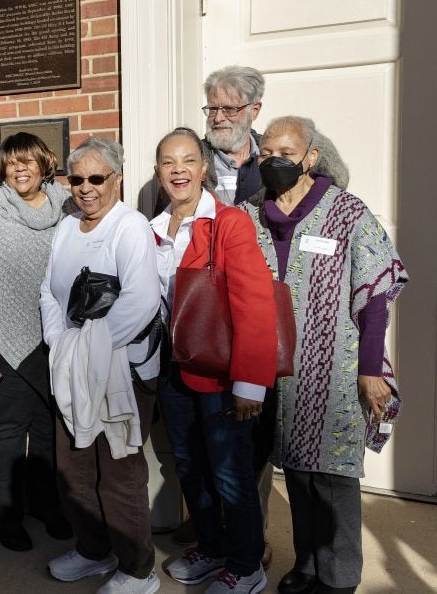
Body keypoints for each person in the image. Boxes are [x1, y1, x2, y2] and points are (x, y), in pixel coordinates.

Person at [239, 117, 407, 594]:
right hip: (273, 369)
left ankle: (339, 578)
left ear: (311, 157)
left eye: (286, 153)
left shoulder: (347, 213)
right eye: (266, 151)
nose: (274, 161)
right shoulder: (251, 213)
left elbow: (376, 292)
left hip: (334, 366)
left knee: (332, 477)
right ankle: (308, 565)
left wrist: (372, 370)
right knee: (295, 471)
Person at [150, 128, 276, 594]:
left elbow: (255, 304)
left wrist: (250, 382)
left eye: (187, 160)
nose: (178, 169)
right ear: (159, 171)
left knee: (229, 471)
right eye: (168, 162)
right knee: (189, 466)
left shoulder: (229, 223)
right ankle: (211, 547)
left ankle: (246, 564)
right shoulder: (153, 228)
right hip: (173, 370)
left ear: (204, 168)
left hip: (222, 375)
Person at [40, 137, 162, 594]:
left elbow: (142, 300)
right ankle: (94, 550)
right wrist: (61, 342)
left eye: (97, 178)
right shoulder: (68, 226)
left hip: (120, 370)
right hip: (72, 362)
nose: (86, 188)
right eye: (77, 179)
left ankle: (138, 570)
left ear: (117, 179)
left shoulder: (129, 226)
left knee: (118, 471)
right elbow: (49, 292)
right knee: (74, 467)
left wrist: (90, 347)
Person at [0, 133, 74, 552]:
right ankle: (4, 515)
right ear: (3, 169)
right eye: (12, 162)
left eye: (29, 161)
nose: (21, 169)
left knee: (48, 428)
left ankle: (44, 504)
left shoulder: (68, 206)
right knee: (7, 429)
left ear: (45, 164)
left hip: (55, 336)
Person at [202, 65, 266, 206]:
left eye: (230, 109)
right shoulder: (193, 159)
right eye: (213, 109)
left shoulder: (274, 156)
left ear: (254, 110)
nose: (218, 118)